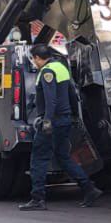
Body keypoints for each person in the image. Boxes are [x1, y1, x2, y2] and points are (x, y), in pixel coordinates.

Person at [19, 45, 101, 211]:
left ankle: (37, 199)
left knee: (39, 159)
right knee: (63, 157)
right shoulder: (61, 68)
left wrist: (47, 120)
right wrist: (75, 116)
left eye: (34, 59)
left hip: (52, 122)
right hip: (64, 120)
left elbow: (51, 100)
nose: (34, 63)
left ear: (36, 57)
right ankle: (89, 189)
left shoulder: (47, 72)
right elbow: (72, 93)